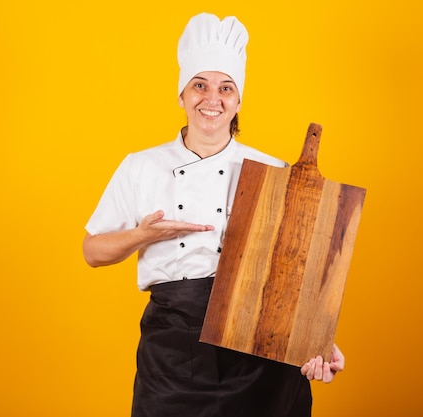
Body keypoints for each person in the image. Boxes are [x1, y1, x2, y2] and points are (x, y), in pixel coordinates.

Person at [82, 12, 345, 417]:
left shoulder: (272, 172)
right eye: (199, 85)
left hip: (259, 336)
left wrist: (315, 337)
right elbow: (93, 252)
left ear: (238, 100)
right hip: (174, 343)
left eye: (226, 88)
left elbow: (297, 270)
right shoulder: (140, 166)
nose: (212, 99)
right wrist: (143, 236)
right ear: (182, 95)